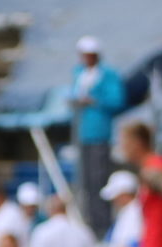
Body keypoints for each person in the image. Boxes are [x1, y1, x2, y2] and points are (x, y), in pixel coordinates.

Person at [70, 38, 126, 234]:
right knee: (86, 181)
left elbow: (117, 100)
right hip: (82, 134)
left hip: (99, 134)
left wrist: (94, 100)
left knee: (99, 180)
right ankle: (90, 221)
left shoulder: (108, 75)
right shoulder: (78, 73)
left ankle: (102, 225)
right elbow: (74, 94)